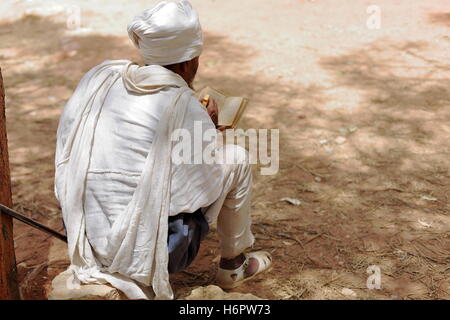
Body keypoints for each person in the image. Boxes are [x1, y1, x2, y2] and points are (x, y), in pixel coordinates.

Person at [54, 0, 271, 300]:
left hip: (83, 234)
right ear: (189, 61)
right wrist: (206, 131)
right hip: (154, 251)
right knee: (237, 159)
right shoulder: (183, 106)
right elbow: (200, 192)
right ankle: (234, 265)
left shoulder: (100, 78)